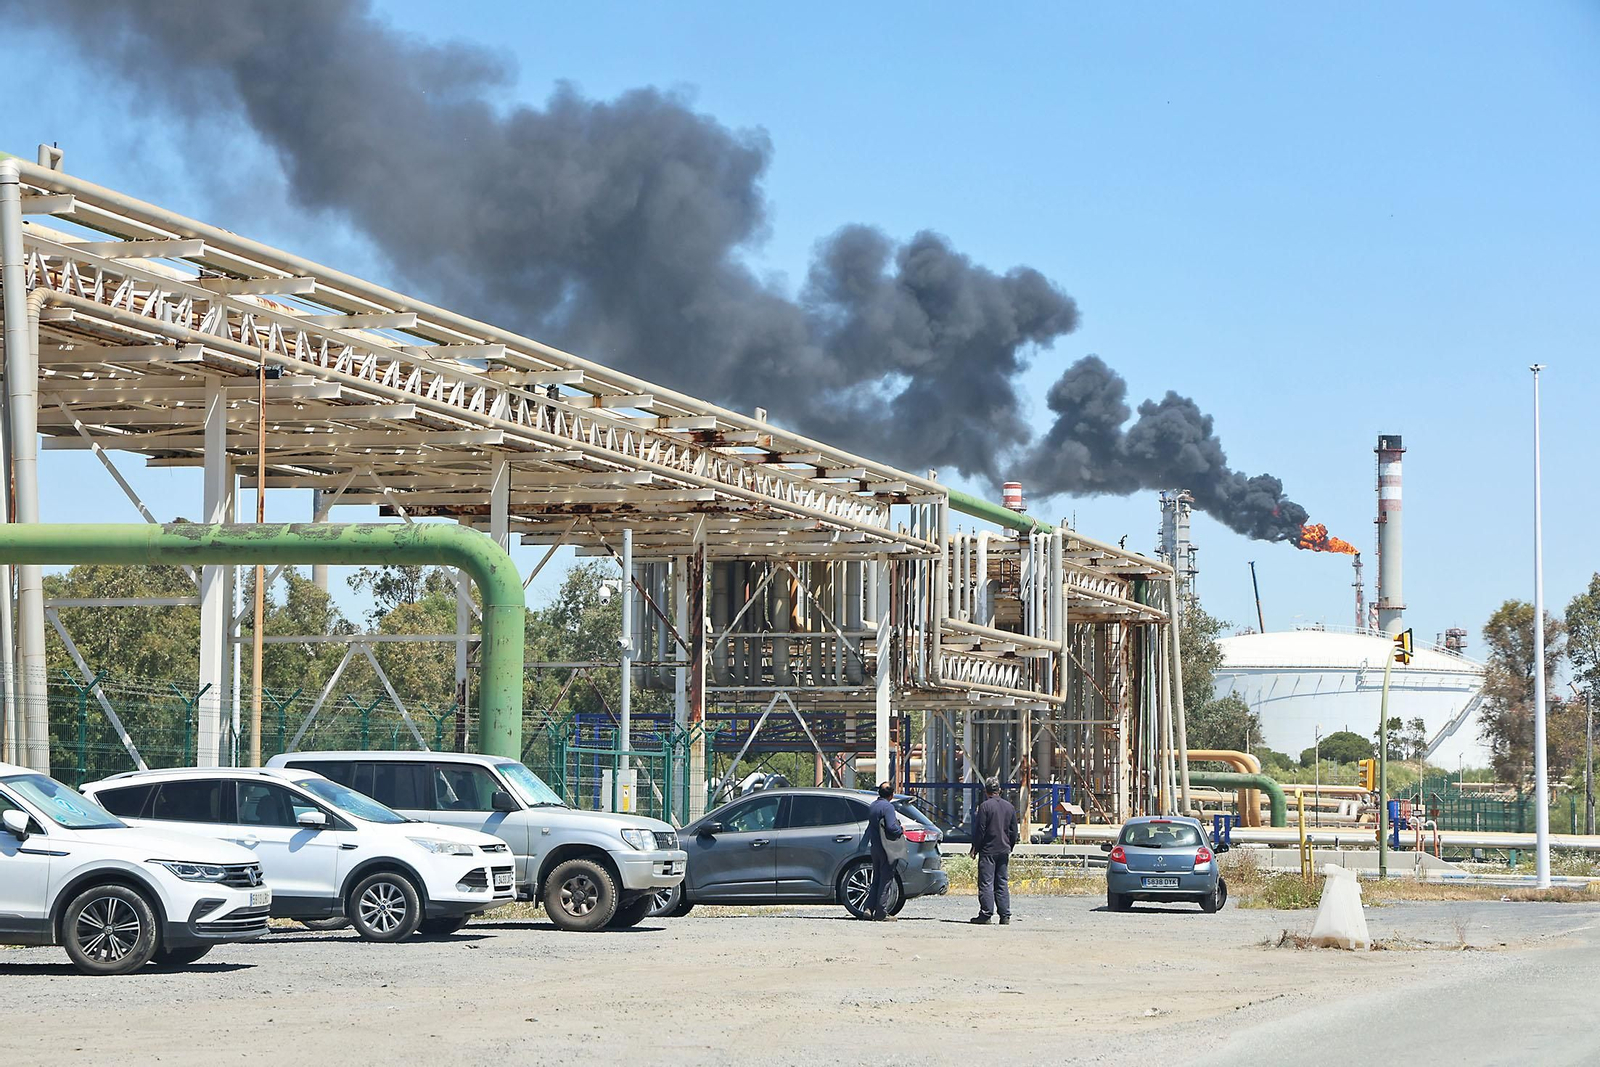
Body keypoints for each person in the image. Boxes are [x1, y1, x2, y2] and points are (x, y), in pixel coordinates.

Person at [969, 777, 1018, 925]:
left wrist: (975, 848)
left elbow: (980, 830)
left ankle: (986, 914)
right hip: (1003, 849)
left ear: (986, 791)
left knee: (986, 882)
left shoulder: (985, 807)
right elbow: (1014, 831)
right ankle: (1005, 915)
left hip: (988, 850)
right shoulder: (1009, 807)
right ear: (1000, 791)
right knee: (1002, 882)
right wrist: (1010, 846)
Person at [866, 781, 904, 921]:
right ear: (892, 795)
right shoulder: (888, 807)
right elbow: (891, 827)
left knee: (876, 878)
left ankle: (868, 909)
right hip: (887, 848)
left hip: (875, 847)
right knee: (886, 879)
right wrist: (901, 830)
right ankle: (881, 913)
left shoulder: (873, 806)